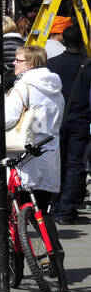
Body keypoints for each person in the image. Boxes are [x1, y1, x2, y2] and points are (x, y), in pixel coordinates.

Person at [5, 45, 65, 253]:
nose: (14, 63)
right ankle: (53, 251)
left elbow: (7, 119)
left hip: (26, 154)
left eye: (18, 59)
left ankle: (22, 254)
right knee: (41, 207)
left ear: (31, 63)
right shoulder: (56, 88)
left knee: (21, 206)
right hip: (50, 151)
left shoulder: (23, 87)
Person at [47, 26, 91, 223]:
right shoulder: (88, 65)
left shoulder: (52, 64)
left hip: (56, 119)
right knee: (75, 163)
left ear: (63, 41)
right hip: (80, 119)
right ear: (81, 42)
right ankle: (66, 208)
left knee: (57, 161)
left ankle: (54, 204)